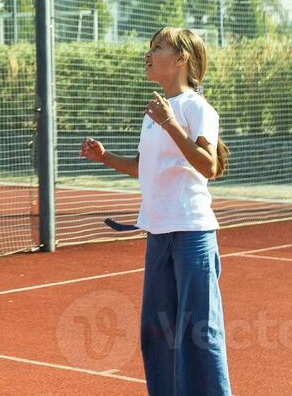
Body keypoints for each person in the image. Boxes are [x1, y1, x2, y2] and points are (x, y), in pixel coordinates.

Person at [80, 26, 232, 395]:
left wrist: (171, 123)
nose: (148, 54)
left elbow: (208, 166)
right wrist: (104, 158)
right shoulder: (154, 112)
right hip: (158, 233)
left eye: (158, 47)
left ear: (181, 59)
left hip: (192, 232)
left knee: (200, 330)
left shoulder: (197, 108)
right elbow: (143, 166)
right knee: (157, 330)